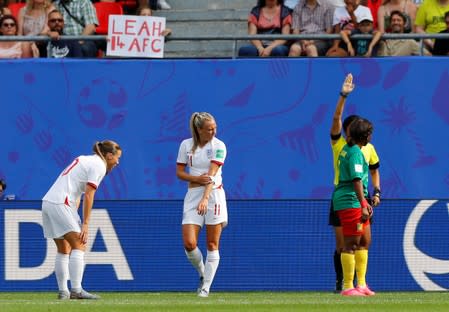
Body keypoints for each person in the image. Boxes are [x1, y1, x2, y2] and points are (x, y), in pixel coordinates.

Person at [41, 140, 122, 300]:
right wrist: (85, 223)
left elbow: (76, 192)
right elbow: (89, 194)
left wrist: (74, 214)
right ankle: (76, 290)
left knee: (64, 249)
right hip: (60, 203)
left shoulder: (85, 159)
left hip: (49, 202)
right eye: (116, 158)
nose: (117, 162)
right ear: (109, 155)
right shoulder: (99, 165)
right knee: (79, 244)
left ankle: (63, 292)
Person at [329, 73, 381, 293]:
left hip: (359, 198)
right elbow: (336, 118)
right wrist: (343, 95)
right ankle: (345, 284)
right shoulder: (341, 145)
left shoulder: (366, 149)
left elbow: (374, 171)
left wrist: (376, 193)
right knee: (344, 245)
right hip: (347, 198)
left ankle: (359, 283)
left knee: (361, 241)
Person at [176, 112, 228, 298]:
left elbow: (212, 175)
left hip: (214, 195)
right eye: (209, 129)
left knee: (212, 244)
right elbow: (180, 172)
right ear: (199, 130)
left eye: (215, 128)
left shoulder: (219, 146)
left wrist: (206, 198)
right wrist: (195, 178)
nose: (213, 131)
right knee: (189, 243)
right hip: (192, 195)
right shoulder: (185, 145)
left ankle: (205, 287)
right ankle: (202, 274)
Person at [332, 118, 375, 296]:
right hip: (351, 201)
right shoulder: (355, 152)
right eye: (369, 132)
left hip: (356, 200)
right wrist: (364, 203)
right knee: (351, 244)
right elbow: (356, 180)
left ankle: (362, 285)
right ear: (364, 135)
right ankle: (348, 286)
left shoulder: (351, 149)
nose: (371, 135)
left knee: (365, 241)